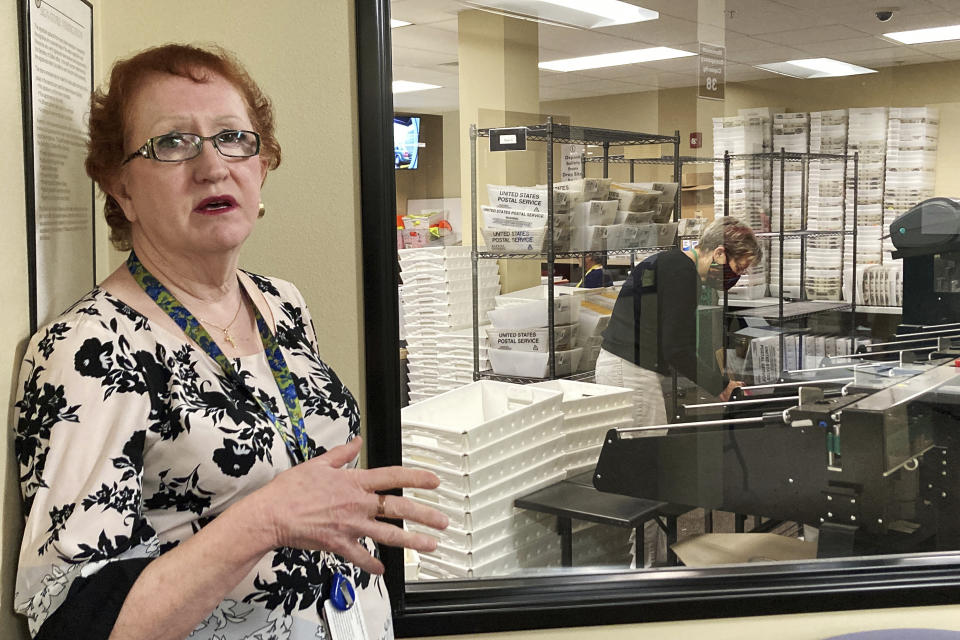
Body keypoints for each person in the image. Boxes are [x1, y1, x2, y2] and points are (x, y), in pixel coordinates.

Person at [13, 44, 447, 640]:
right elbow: (69, 618)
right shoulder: (87, 349)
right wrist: (265, 520)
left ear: (261, 166)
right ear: (122, 189)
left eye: (233, 138)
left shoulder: (281, 302)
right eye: (173, 143)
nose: (213, 166)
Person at [595, 216, 760, 427]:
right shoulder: (683, 274)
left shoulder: (671, 263)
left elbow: (677, 339)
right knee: (644, 450)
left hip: (621, 367)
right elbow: (676, 349)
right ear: (719, 253)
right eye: (739, 268)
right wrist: (721, 386)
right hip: (631, 373)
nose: (738, 276)